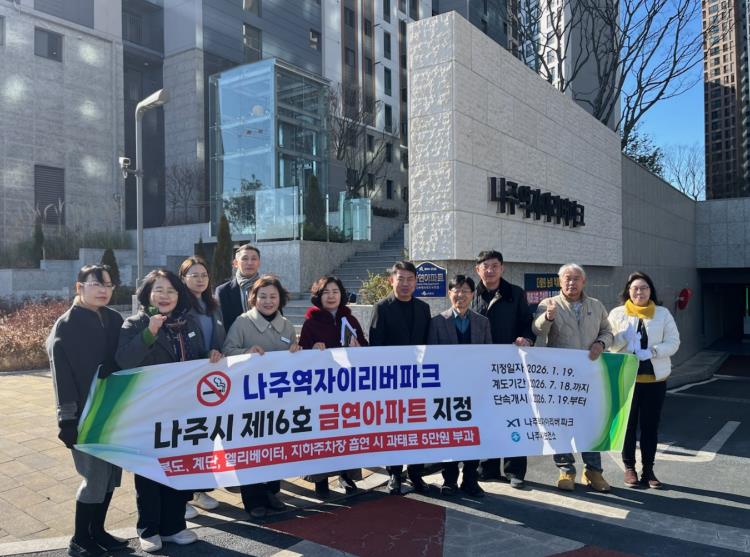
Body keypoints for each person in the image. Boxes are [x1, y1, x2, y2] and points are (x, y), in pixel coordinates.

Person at [117, 269, 221, 552]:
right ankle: (149, 529)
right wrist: (149, 332)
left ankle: (174, 526)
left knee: (179, 466)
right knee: (150, 471)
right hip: (150, 411)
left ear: (179, 295)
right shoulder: (135, 323)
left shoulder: (187, 323)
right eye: (158, 290)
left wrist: (210, 356)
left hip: (185, 410)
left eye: (171, 290)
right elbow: (124, 361)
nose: (165, 296)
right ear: (147, 294)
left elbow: (196, 358)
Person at [47, 264, 127, 557]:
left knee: (110, 476)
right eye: (97, 284)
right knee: (93, 477)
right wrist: (66, 419)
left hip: (113, 412)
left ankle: (98, 531)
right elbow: (62, 377)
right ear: (79, 287)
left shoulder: (114, 318)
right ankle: (80, 539)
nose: (104, 290)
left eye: (108, 284)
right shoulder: (67, 325)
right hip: (83, 415)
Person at [223, 275, 302, 518]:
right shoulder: (242, 322)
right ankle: (253, 498)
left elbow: (294, 359)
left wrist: (297, 351)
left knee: (274, 447)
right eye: (263, 296)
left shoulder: (286, 325)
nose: (268, 301)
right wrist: (246, 352)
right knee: (250, 449)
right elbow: (227, 351)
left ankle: (272, 492)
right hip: (247, 401)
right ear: (253, 298)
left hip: (278, 400)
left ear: (280, 299)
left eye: (273, 296)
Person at [532, 263, 613, 493]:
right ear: (559, 281)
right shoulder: (549, 304)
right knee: (561, 423)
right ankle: (566, 470)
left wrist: (601, 343)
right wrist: (547, 317)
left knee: (590, 424)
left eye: (576, 278)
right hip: (560, 380)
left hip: (589, 376)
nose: (571, 282)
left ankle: (594, 471)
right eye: (567, 278)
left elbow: (608, 332)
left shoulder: (596, 305)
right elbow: (537, 330)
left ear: (583, 281)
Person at [608, 272, 680, 489]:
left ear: (651, 291)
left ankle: (648, 469)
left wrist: (653, 351)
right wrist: (623, 337)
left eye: (644, 288)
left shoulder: (662, 313)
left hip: (654, 380)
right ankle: (629, 467)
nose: (639, 292)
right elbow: (609, 343)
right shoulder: (618, 313)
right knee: (627, 426)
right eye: (635, 288)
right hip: (626, 379)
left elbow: (674, 342)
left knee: (650, 426)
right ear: (628, 291)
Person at [298, 275, 368, 496]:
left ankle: (346, 476)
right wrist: (312, 350)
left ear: (342, 295)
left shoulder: (351, 320)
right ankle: (320, 480)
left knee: (347, 432)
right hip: (321, 389)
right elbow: (301, 354)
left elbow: (366, 348)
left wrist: (359, 348)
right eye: (326, 292)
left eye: (335, 291)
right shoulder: (311, 322)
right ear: (318, 296)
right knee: (321, 434)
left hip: (347, 388)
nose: (331, 296)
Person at [471, 250, 534, 489]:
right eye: (485, 266)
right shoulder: (471, 294)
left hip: (510, 368)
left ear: (502, 268)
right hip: (480, 368)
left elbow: (527, 323)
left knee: (513, 417)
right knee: (485, 416)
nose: (490, 270)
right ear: (477, 270)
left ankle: (514, 470)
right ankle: (486, 467)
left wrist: (526, 338)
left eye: (494, 266)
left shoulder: (515, 293)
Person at [369, 260, 431, 495]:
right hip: (392, 380)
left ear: (416, 282)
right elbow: (376, 346)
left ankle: (415, 473)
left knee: (417, 427)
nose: (405, 284)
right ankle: (394, 473)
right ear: (391, 280)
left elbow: (428, 343)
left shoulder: (423, 308)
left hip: (418, 379)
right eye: (401, 279)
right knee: (394, 428)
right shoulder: (381, 308)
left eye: (410, 279)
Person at [428, 275, 492, 498]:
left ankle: (470, 479)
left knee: (474, 434)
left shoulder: (482, 322)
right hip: (448, 391)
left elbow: (488, 356)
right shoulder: (437, 322)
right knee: (450, 436)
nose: (461, 295)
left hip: (475, 389)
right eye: (456, 290)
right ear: (449, 293)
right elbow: (431, 358)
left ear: (472, 295)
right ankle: (449, 479)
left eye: (465, 291)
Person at [178, 256, 225, 518]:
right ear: (183, 278)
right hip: (188, 379)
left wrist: (217, 351)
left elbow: (220, 337)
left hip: (211, 379)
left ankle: (199, 489)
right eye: (194, 275)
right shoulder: (180, 307)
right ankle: (181, 496)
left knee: (205, 437)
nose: (200, 279)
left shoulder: (213, 305)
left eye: (204, 275)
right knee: (187, 438)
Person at [215, 244, 261, 332]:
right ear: (235, 263)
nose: (250, 263)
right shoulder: (223, 291)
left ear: (259, 263)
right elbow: (222, 324)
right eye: (245, 259)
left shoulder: (270, 288)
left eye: (254, 259)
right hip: (235, 339)